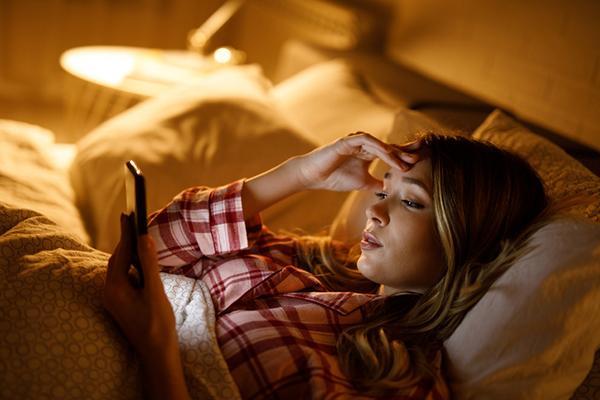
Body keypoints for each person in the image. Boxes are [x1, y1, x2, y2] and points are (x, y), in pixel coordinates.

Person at [103, 132, 548, 399]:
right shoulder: (305, 259)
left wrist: (158, 348)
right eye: (382, 190)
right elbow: (151, 246)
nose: (375, 212)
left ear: (469, 241)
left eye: (411, 201)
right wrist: (300, 175)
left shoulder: (398, 378)